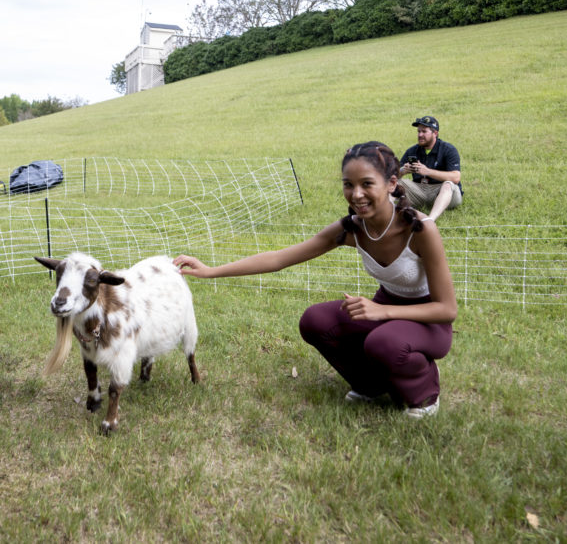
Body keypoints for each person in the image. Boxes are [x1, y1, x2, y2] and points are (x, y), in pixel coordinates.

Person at [174, 141, 457, 418]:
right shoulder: (352, 229)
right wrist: (211, 270)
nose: (356, 194)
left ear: (392, 183)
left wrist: (381, 310)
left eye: (367, 184)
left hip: (428, 321)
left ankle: (425, 393)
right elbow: (279, 258)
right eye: (349, 184)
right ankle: (371, 384)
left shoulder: (421, 230)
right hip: (387, 311)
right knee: (316, 321)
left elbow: (447, 309)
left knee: (382, 343)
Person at [398, 116, 462, 221]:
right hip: (420, 190)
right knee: (395, 183)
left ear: (435, 133)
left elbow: (456, 177)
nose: (420, 135)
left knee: (448, 184)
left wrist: (428, 172)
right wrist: (402, 171)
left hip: (442, 191)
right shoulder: (412, 150)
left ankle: (430, 220)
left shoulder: (448, 149)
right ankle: (382, 215)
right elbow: (391, 175)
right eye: (418, 131)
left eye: (424, 131)